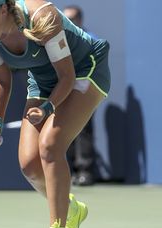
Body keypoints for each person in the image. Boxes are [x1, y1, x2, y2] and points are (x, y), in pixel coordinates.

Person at [0, 0, 110, 228]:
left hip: (85, 68)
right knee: (30, 165)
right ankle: (71, 209)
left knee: (50, 145)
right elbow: (0, 78)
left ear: (2, 9)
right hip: (44, 79)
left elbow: (67, 76)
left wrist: (47, 107)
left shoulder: (43, 18)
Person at [63, 5, 102, 186]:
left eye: (71, 19)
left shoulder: (91, 40)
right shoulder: (59, 39)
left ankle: (85, 171)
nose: (67, 22)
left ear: (80, 20)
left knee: (83, 131)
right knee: (64, 132)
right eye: (65, 18)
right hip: (63, 93)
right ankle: (67, 171)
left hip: (85, 94)